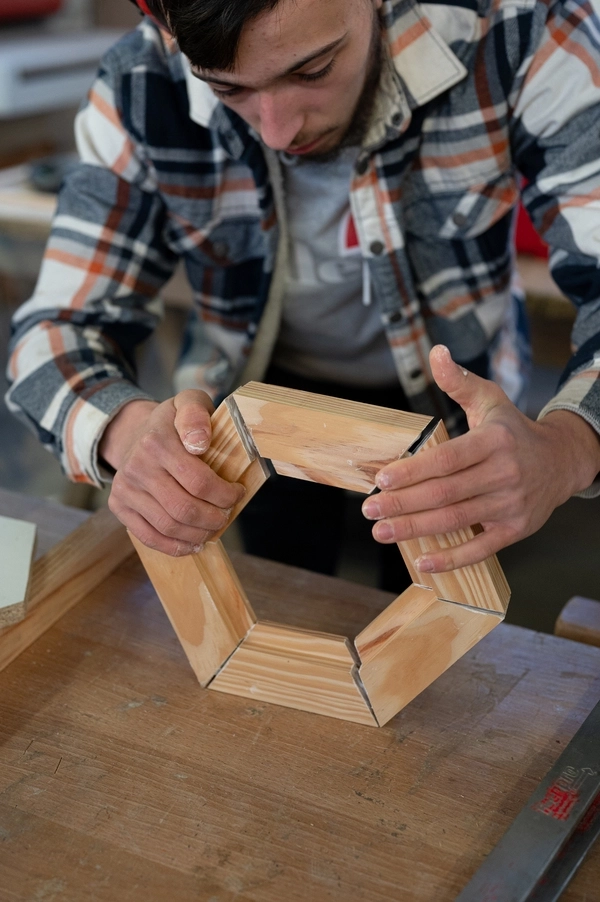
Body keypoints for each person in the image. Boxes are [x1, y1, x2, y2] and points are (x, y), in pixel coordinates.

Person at [6, 0, 600, 587]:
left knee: (447, 616)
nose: (277, 130)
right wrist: (124, 432)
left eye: (312, 70)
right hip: (256, 409)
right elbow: (55, 331)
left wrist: (567, 448)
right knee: (285, 590)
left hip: (454, 409)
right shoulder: (140, 81)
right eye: (226, 89)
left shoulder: (524, 30)